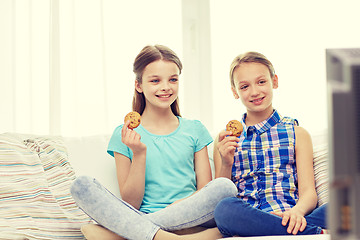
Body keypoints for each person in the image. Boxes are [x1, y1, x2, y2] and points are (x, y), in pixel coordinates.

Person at [70, 44, 237, 240]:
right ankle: (169, 236)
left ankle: (129, 232)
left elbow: (205, 192)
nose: (166, 87)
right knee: (81, 186)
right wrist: (139, 153)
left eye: (173, 79)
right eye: (155, 80)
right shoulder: (124, 134)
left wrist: (180, 206)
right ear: (139, 85)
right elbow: (130, 203)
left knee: (225, 187)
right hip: (143, 211)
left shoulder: (195, 129)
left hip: (190, 215)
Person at [213, 51, 327, 237]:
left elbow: (308, 193)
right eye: (244, 86)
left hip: (291, 213)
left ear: (274, 81)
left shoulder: (297, 133)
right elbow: (220, 195)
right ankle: (315, 233)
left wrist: (296, 213)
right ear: (235, 92)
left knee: (343, 204)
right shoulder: (225, 138)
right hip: (248, 216)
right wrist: (226, 162)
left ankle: (288, 228)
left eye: (261, 82)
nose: (255, 92)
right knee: (224, 209)